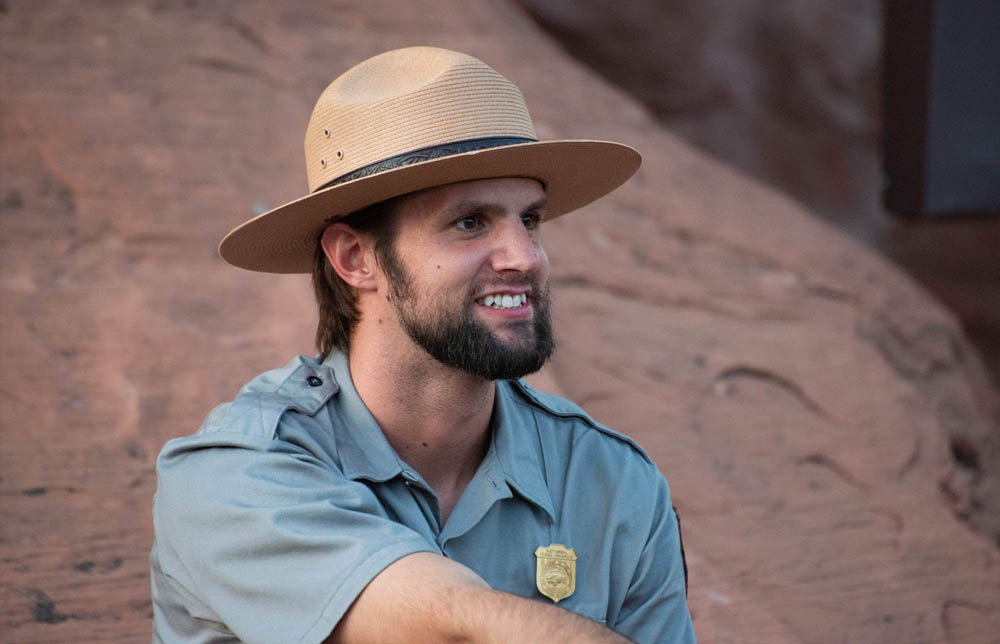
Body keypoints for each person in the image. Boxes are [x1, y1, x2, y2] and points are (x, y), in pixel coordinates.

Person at [151, 46, 696, 644]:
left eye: (530, 220)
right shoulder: (235, 475)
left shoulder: (612, 482)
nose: (526, 257)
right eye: (470, 222)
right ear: (356, 259)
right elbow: (446, 629)